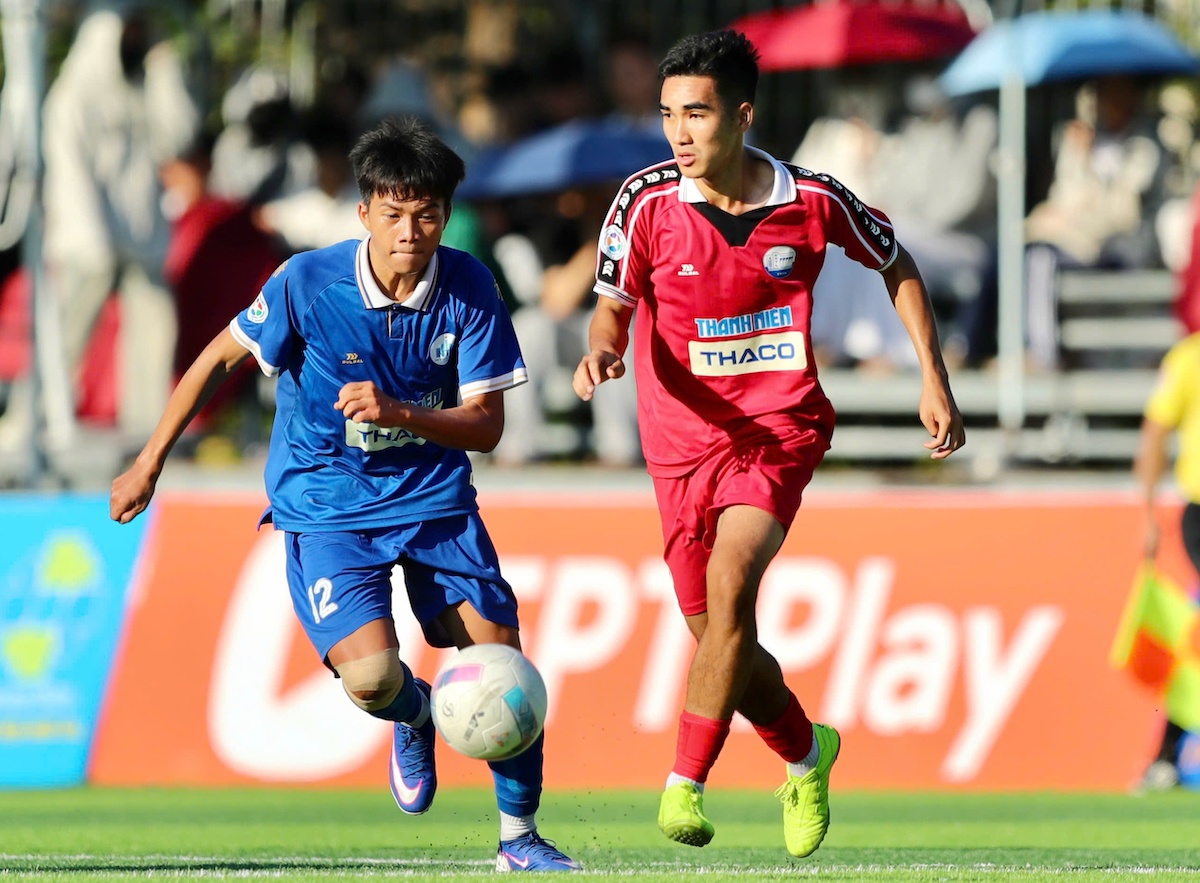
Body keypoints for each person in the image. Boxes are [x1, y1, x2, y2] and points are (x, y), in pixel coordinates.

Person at [109, 116, 580, 873]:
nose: (410, 232)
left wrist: (400, 413)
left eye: (427, 214)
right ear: (364, 212)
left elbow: (487, 426)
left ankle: (519, 839)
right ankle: (415, 714)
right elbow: (219, 359)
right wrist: (148, 461)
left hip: (432, 500)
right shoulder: (307, 283)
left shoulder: (469, 286)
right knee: (371, 679)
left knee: (503, 664)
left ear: (445, 215)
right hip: (327, 504)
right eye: (393, 214)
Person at [573, 30, 964, 857]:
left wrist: (933, 376)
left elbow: (896, 263)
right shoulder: (645, 201)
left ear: (742, 115)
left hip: (778, 431)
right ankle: (806, 751)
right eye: (669, 114)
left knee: (731, 582)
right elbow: (611, 302)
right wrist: (603, 347)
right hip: (679, 446)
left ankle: (684, 783)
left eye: (697, 113)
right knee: (719, 635)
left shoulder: (813, 199)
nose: (679, 132)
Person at [1133, 329, 1200, 791]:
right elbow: (1155, 434)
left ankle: (1167, 754)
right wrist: (1148, 514)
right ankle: (1166, 753)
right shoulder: (1189, 358)